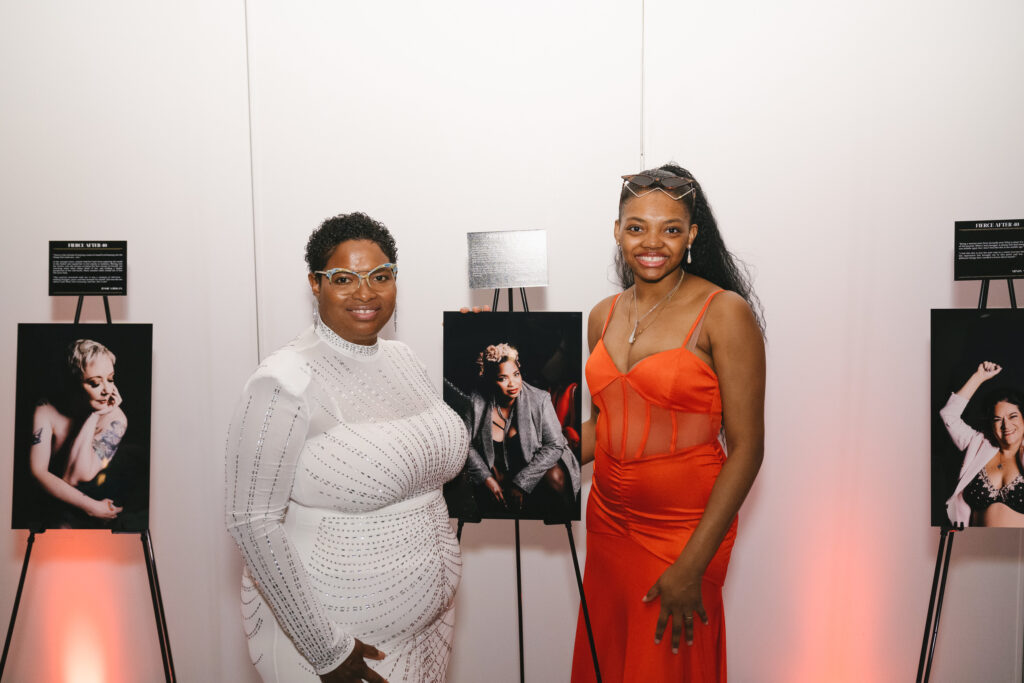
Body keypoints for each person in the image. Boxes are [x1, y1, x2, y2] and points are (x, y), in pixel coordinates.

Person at [225, 212, 469, 683]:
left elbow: (431, 457)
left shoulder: (404, 358)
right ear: (315, 285)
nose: (365, 292)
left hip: (428, 634)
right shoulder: (281, 381)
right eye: (344, 279)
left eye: (380, 276)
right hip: (333, 647)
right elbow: (250, 522)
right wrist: (327, 651)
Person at [571, 164, 766, 682]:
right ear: (617, 231)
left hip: (684, 537)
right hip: (608, 524)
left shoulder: (724, 312)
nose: (651, 242)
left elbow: (747, 449)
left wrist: (692, 565)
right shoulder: (601, 315)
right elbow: (600, 428)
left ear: (692, 235)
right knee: (610, 661)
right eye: (636, 227)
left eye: (670, 229)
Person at [461, 342, 580, 519]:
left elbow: (555, 445)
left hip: (536, 465)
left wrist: (521, 483)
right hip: (500, 470)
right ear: (490, 380)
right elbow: (465, 444)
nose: (513, 383)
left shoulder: (539, 399)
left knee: (555, 477)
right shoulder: (477, 402)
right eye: (503, 378)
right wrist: (487, 478)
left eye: (516, 374)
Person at [29, 338, 126, 527]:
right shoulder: (46, 408)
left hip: (98, 504)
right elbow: (39, 472)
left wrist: (95, 416)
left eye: (110, 378)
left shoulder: (116, 419)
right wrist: (91, 507)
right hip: (55, 507)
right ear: (74, 383)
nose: (107, 390)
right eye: (95, 383)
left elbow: (78, 475)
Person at [940, 361, 1024, 527]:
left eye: (1013, 416)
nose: (1006, 426)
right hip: (975, 544)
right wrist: (978, 377)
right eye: (998, 419)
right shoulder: (977, 444)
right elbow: (949, 415)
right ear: (991, 425)